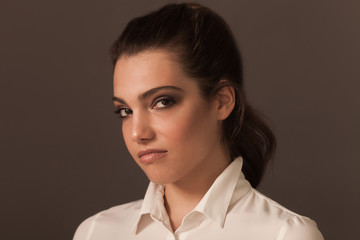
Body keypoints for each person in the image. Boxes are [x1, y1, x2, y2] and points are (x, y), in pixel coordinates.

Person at [74, 3, 324, 239]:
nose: (137, 133)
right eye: (125, 111)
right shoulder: (95, 232)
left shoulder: (286, 235)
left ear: (222, 101)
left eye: (162, 102)